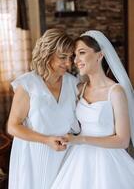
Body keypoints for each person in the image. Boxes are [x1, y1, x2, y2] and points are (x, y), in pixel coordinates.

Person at [51, 30, 134, 189]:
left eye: (82, 53)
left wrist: (81, 140)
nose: (76, 60)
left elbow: (123, 140)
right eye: (75, 55)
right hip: (79, 159)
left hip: (109, 162)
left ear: (100, 55)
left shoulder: (115, 92)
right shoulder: (79, 89)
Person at [7, 28, 80, 189]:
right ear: (47, 54)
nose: (68, 64)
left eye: (70, 57)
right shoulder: (28, 84)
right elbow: (13, 126)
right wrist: (46, 140)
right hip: (34, 156)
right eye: (62, 57)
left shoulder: (72, 83)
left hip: (65, 154)